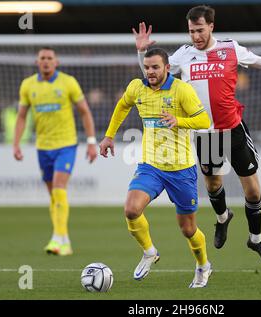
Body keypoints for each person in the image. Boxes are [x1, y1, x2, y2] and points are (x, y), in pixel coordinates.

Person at [133, 5, 261, 266]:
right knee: (213, 185)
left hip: (232, 128)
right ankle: (223, 218)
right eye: (191, 31)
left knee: (253, 191)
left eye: (200, 30)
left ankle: (256, 239)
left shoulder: (231, 48)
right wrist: (142, 50)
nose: (196, 36)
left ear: (211, 26)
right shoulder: (184, 55)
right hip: (206, 133)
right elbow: (151, 76)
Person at [99, 48, 212, 288]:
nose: (150, 71)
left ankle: (203, 266)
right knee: (131, 209)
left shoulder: (182, 90)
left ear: (167, 68)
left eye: (155, 67)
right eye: (147, 67)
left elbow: (204, 121)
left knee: (188, 229)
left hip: (181, 169)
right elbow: (122, 105)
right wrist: (109, 136)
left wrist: (178, 120)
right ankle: (149, 252)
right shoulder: (137, 88)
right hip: (151, 165)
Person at [13, 47, 98, 256]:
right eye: (42, 58)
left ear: (56, 62)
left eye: (50, 58)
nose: (46, 62)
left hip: (66, 144)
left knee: (60, 187)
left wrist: (90, 141)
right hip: (43, 147)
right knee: (53, 195)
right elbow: (22, 116)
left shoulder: (68, 82)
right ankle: (65, 240)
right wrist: (16, 143)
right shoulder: (28, 85)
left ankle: (56, 238)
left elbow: (85, 112)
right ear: (37, 62)